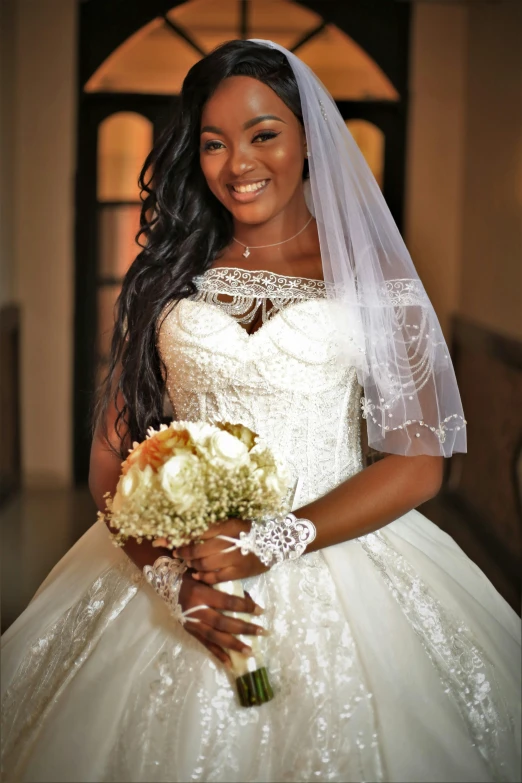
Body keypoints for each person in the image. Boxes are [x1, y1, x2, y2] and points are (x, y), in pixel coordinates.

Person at [1, 39, 520, 783]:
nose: (237, 163)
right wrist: (171, 578)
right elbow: (110, 460)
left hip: (339, 550)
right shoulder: (166, 279)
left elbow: (419, 462)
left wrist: (274, 538)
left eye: (263, 134)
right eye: (214, 143)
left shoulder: (377, 284)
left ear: (310, 138)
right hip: (184, 567)